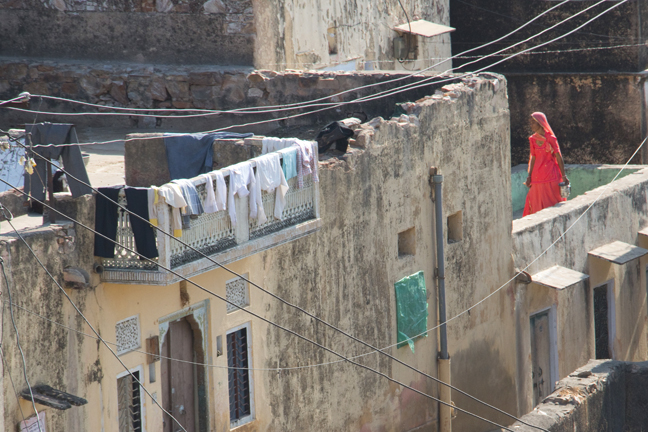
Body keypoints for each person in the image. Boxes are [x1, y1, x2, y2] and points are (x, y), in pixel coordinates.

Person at [523, 112, 569, 217]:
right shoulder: (532, 139)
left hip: (551, 176)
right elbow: (533, 158)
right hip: (537, 177)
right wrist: (529, 176)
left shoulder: (551, 138)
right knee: (535, 203)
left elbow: (558, 157)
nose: (530, 125)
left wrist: (563, 176)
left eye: (532, 123)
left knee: (552, 204)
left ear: (539, 123)